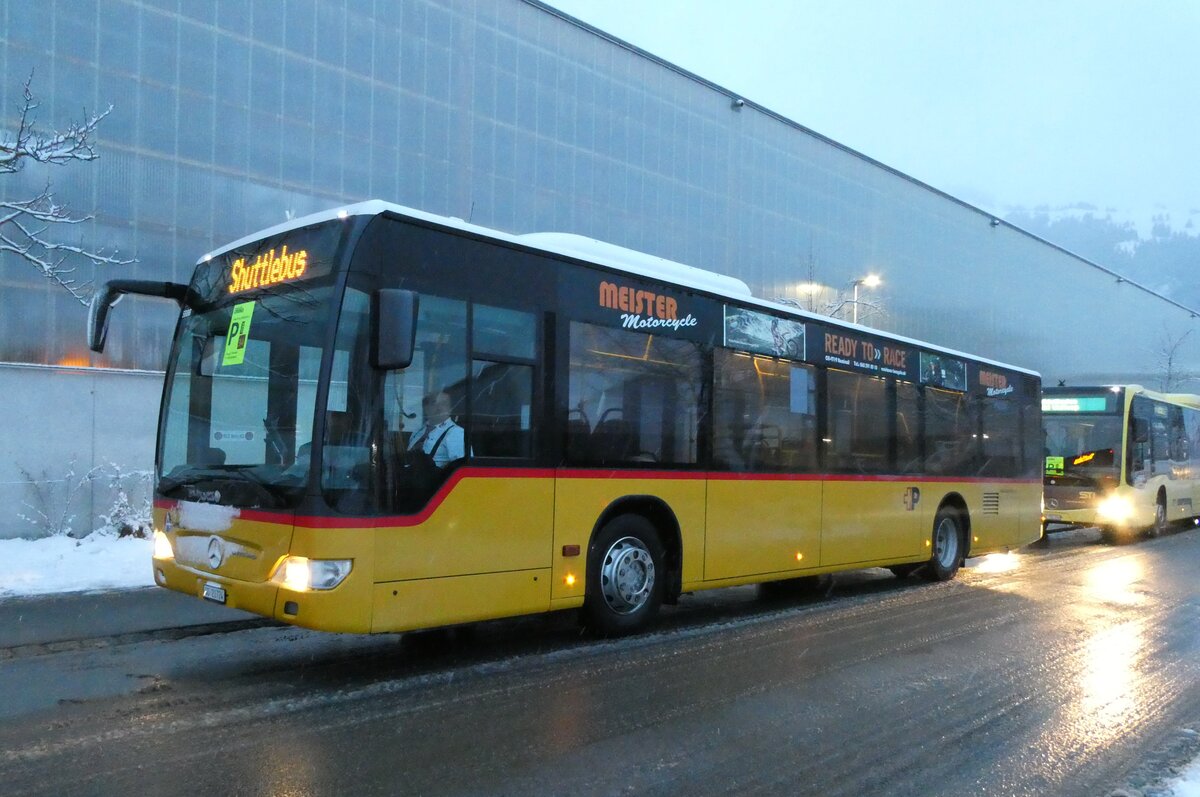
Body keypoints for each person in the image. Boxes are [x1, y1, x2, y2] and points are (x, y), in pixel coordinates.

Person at [408, 392, 466, 467]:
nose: (439, 408)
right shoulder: (417, 431)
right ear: (426, 408)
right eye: (434, 403)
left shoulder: (456, 433)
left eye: (444, 404)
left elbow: (463, 467)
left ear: (450, 409)